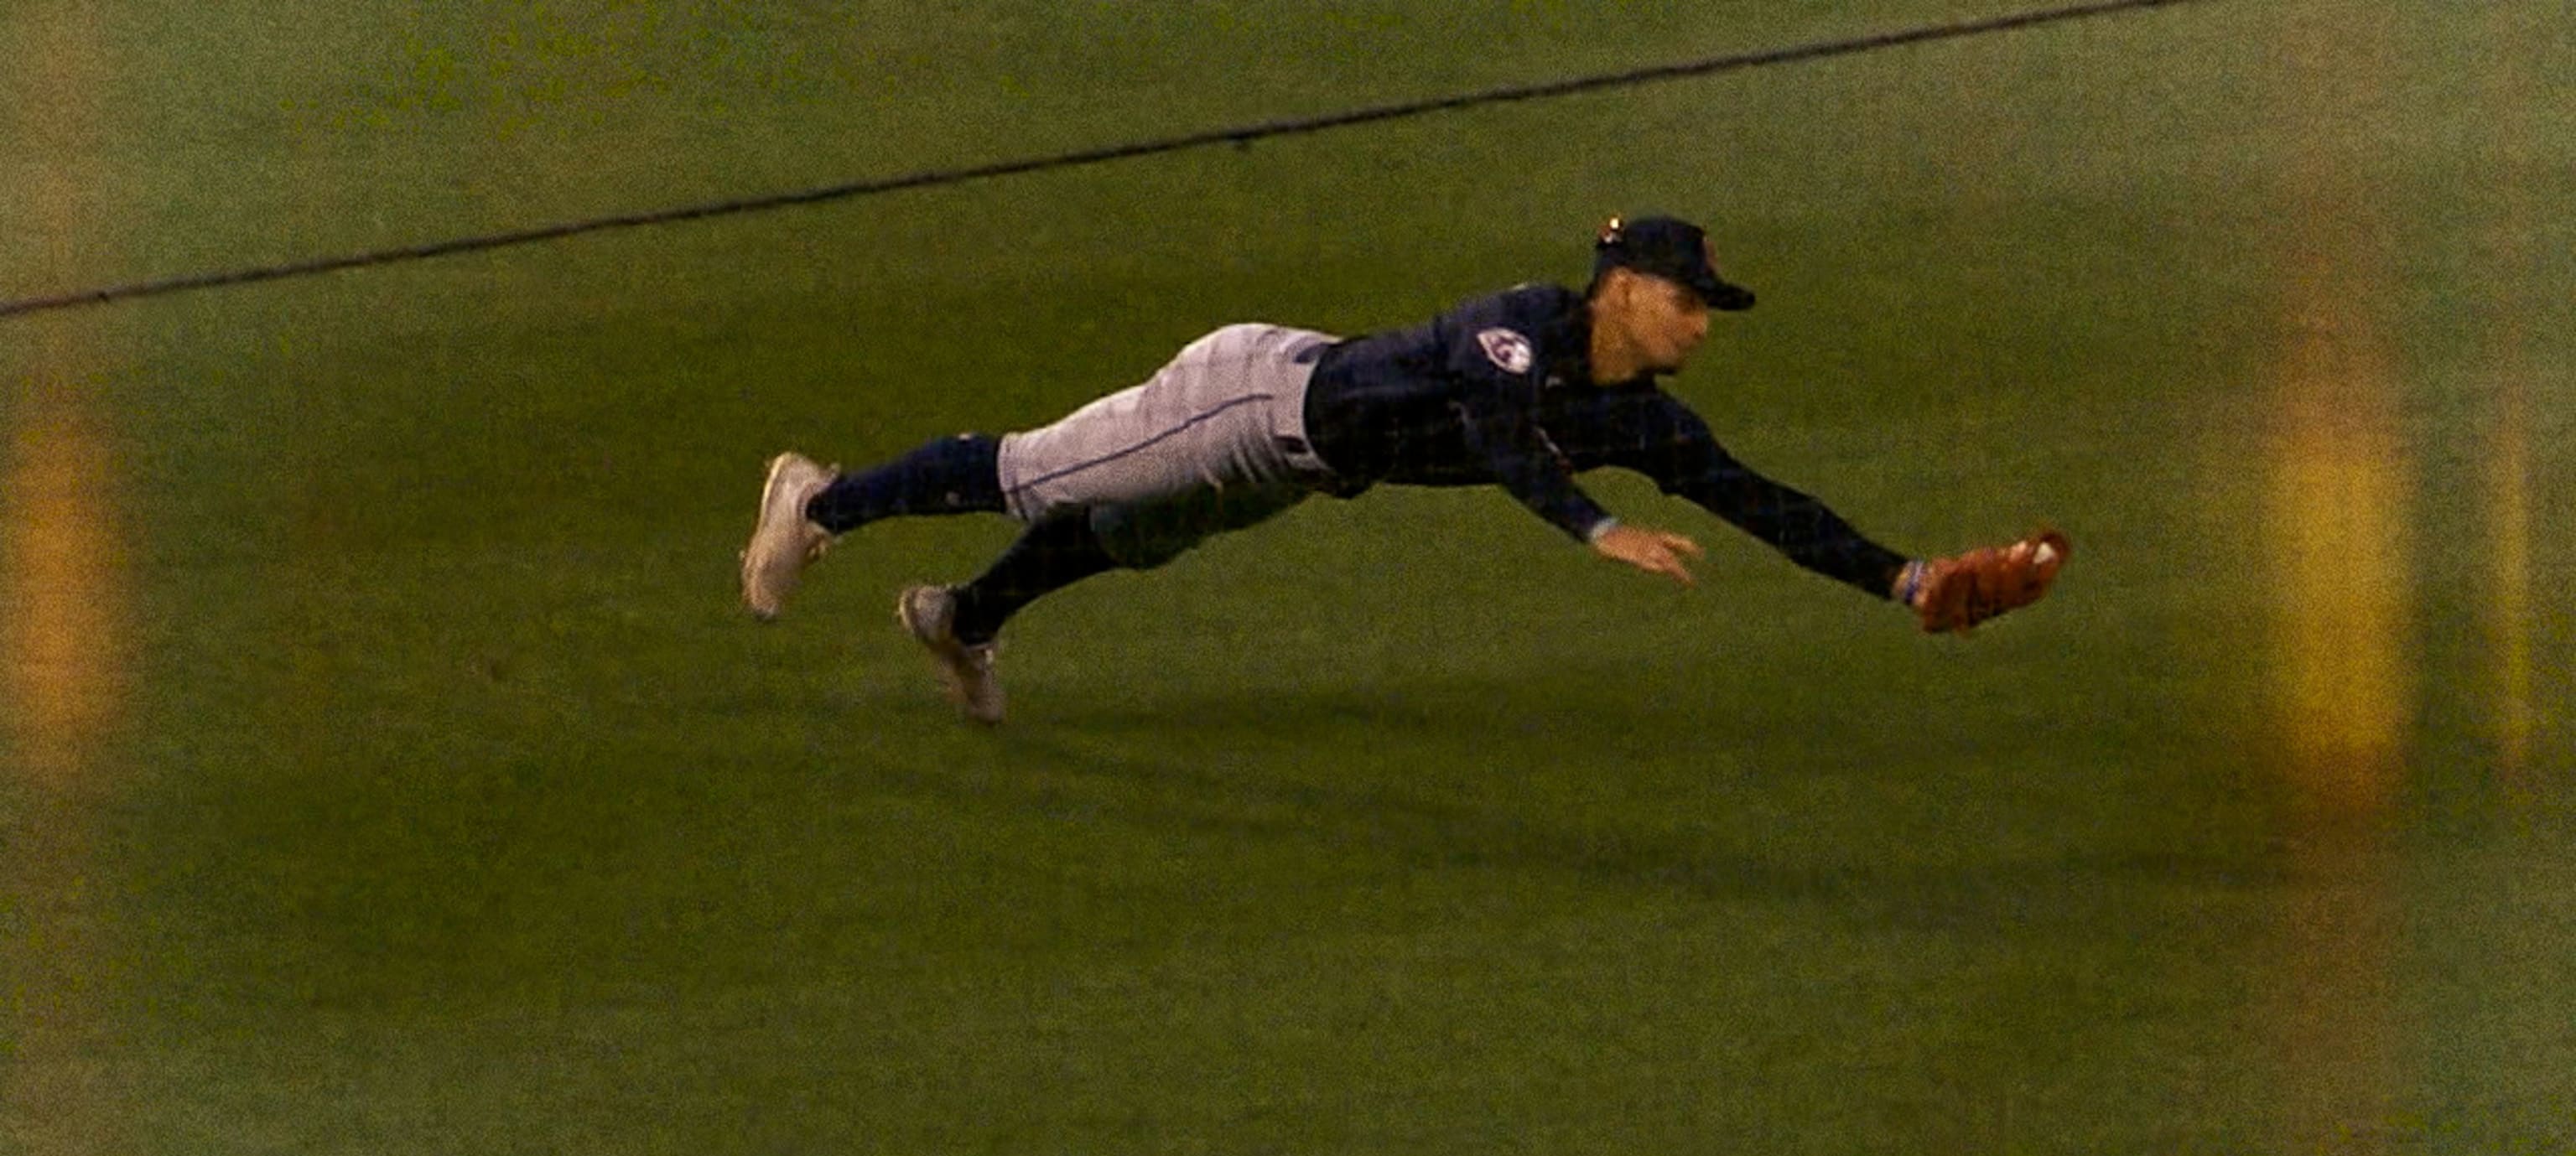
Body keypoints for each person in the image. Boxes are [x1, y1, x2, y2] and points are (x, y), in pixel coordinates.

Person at [739, 214, 2065, 723]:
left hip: (1306, 464)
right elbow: (1497, 436)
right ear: (1622, 286)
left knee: (1120, 537)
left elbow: (1761, 504)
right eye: (1687, 298)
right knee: (1039, 474)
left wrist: (1905, 578)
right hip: (1247, 397)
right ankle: (821, 501)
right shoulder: (1518, 325)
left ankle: (961, 618)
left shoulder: (1646, 417)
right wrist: (1594, 532)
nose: (1700, 322)